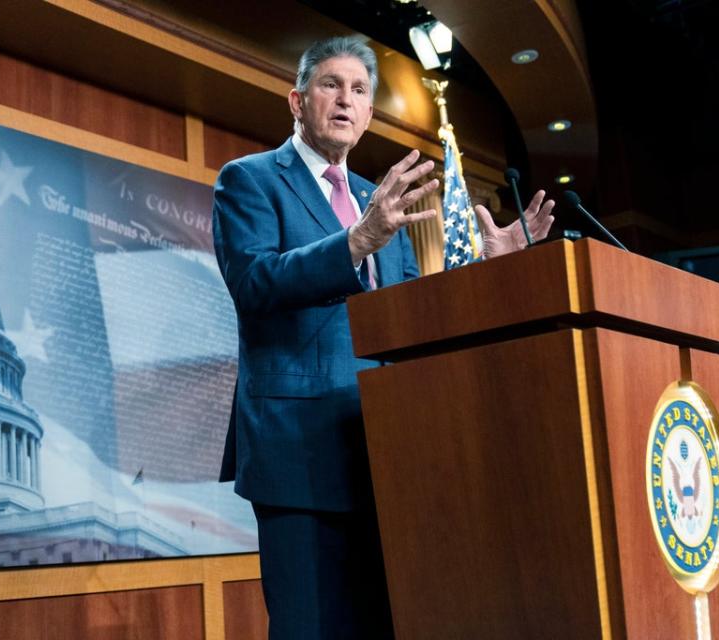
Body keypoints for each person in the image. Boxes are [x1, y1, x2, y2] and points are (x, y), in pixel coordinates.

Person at [212, 36, 555, 639]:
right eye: (330, 84)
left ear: (369, 114)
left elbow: (414, 314)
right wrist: (353, 244)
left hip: (389, 450)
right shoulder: (250, 180)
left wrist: (490, 267)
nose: (346, 99)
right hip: (299, 452)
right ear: (297, 100)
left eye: (360, 90)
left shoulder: (378, 200)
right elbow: (254, 281)